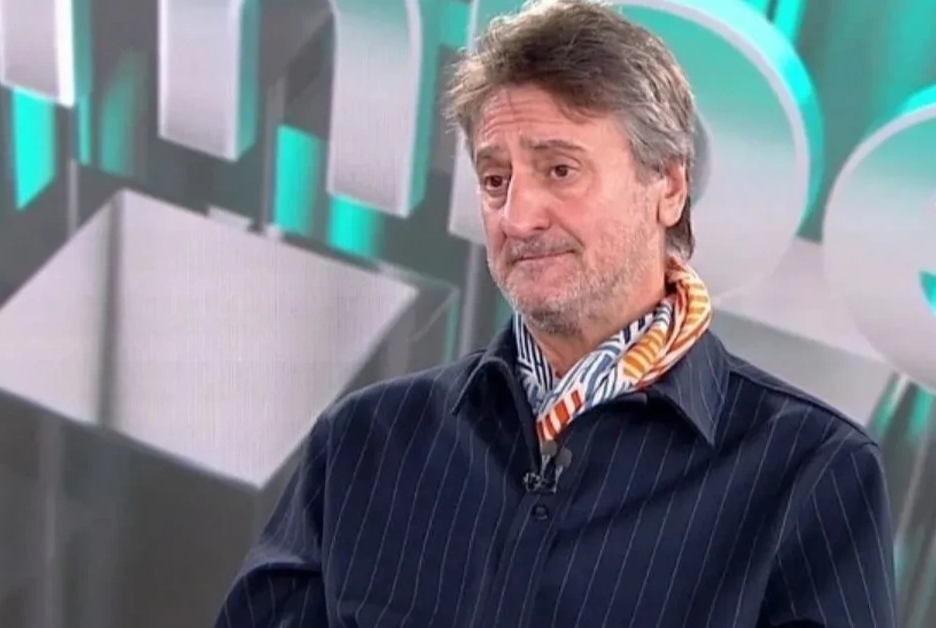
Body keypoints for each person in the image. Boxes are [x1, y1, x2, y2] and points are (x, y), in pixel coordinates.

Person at [214, 0, 897, 626]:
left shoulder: (812, 474)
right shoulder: (362, 442)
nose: (517, 217)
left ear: (668, 185)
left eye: (560, 170)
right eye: (495, 179)